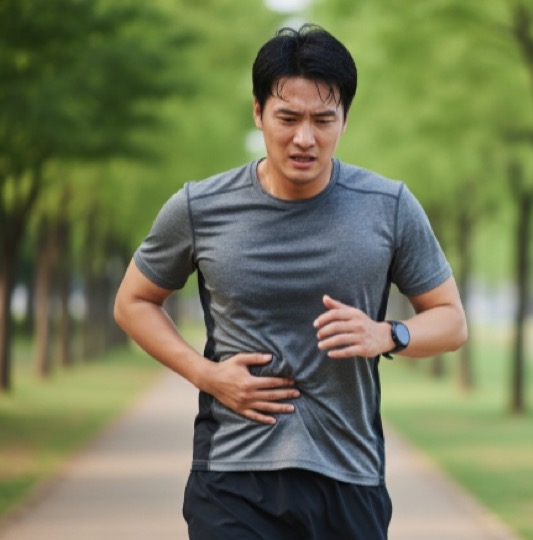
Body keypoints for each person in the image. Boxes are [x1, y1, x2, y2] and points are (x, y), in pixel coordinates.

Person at [113, 24, 467, 539]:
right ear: (258, 113)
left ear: (345, 119)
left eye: (324, 119)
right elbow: (133, 302)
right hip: (233, 475)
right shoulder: (199, 207)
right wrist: (205, 374)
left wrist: (387, 334)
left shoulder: (388, 206)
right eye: (288, 118)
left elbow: (452, 321)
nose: (305, 138)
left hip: (348, 474)